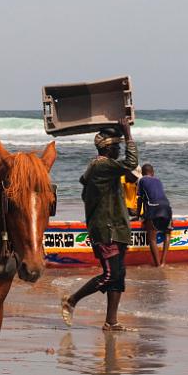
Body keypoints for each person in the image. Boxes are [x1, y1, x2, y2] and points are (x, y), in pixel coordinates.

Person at [60, 119, 138, 330]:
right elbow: (131, 162)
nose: (119, 150)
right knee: (110, 274)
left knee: (118, 277)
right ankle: (71, 300)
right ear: (108, 148)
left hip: (117, 228)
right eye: (118, 147)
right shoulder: (101, 165)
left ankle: (111, 322)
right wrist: (129, 134)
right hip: (107, 229)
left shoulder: (105, 168)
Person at [137, 163, 173, 267]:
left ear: (142, 173)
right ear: (153, 173)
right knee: (167, 233)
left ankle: (157, 265)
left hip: (154, 208)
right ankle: (163, 263)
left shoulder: (142, 180)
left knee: (152, 238)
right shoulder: (158, 180)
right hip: (167, 208)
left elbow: (140, 199)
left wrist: (139, 215)